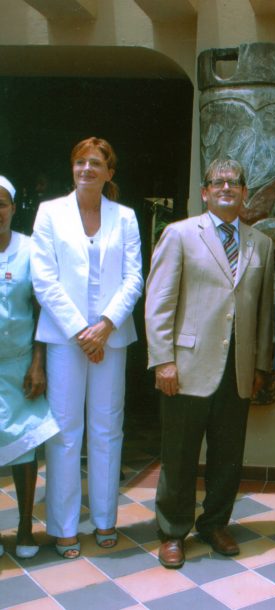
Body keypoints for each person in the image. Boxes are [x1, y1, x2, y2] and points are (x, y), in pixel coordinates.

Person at [145, 158, 274, 569]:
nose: (226, 187)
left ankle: (215, 523)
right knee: (180, 454)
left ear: (244, 192)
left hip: (237, 369)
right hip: (186, 367)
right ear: (204, 191)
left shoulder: (261, 243)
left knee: (227, 455)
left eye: (234, 182)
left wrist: (260, 366)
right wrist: (163, 360)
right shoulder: (179, 234)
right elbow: (159, 302)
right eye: (217, 182)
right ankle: (172, 531)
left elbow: (263, 312)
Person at [30, 137, 143, 559]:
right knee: (63, 431)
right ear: (72, 168)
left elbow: (134, 278)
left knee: (106, 429)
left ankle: (104, 519)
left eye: (96, 163)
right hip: (65, 338)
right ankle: (62, 525)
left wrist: (105, 326)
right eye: (80, 162)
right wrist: (83, 330)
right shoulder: (50, 213)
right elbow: (44, 279)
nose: (86, 169)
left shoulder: (125, 217)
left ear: (110, 172)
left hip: (111, 339)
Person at [0, 176, 59, 559]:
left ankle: (24, 528)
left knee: (23, 446)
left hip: (17, 364)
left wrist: (38, 363)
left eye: (1, 204)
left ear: (13, 207)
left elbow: (42, 309)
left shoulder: (28, 250)